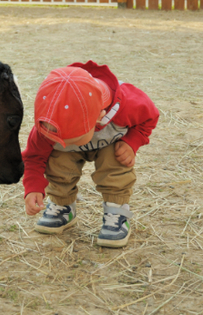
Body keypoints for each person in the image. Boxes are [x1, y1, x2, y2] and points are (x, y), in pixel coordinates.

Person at [22, 61, 159, 247]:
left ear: (99, 116)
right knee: (57, 157)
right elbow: (34, 157)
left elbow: (150, 117)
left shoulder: (128, 103)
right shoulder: (50, 122)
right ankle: (63, 206)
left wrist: (132, 142)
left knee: (116, 160)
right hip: (67, 155)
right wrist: (33, 187)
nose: (66, 144)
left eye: (72, 139)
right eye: (58, 139)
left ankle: (116, 210)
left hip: (109, 143)